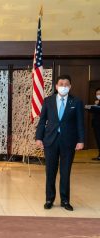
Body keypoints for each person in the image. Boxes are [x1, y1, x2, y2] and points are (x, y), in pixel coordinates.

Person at [36, 75, 84, 211]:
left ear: (70, 86)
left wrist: (81, 140)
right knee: (50, 171)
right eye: (61, 84)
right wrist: (38, 138)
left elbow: (80, 122)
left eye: (66, 84)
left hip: (68, 142)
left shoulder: (76, 102)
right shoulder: (48, 101)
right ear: (56, 86)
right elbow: (42, 121)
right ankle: (49, 199)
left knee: (65, 172)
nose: (63, 86)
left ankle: (65, 200)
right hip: (50, 141)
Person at [85, 88, 100, 160]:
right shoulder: (96, 102)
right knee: (98, 140)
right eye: (97, 94)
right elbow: (87, 108)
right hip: (96, 125)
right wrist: (94, 105)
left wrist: (94, 106)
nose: (98, 95)